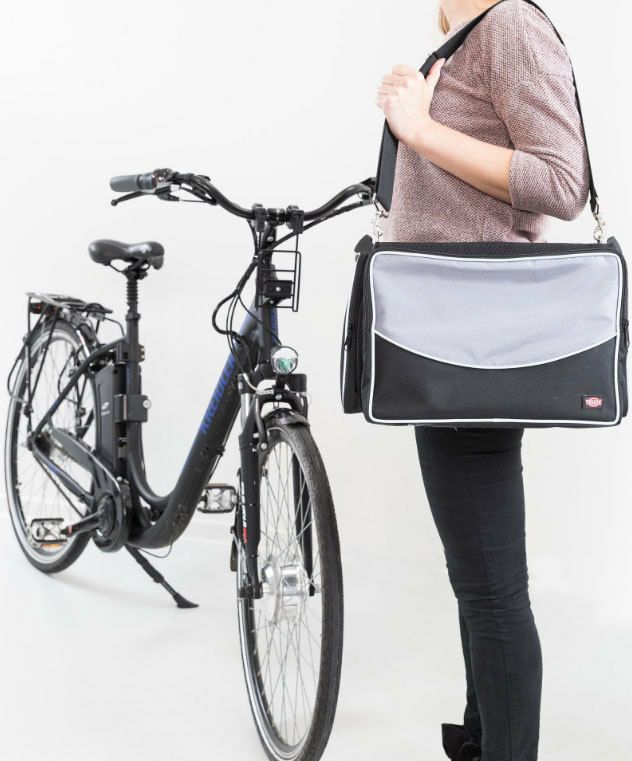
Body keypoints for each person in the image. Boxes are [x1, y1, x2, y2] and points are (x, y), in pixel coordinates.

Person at [375, 1, 590, 759]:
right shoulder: (469, 42)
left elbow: (562, 182)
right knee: (479, 578)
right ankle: (478, 741)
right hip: (446, 337)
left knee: (492, 588)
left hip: (472, 343)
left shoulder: (510, 28)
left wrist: (421, 131)